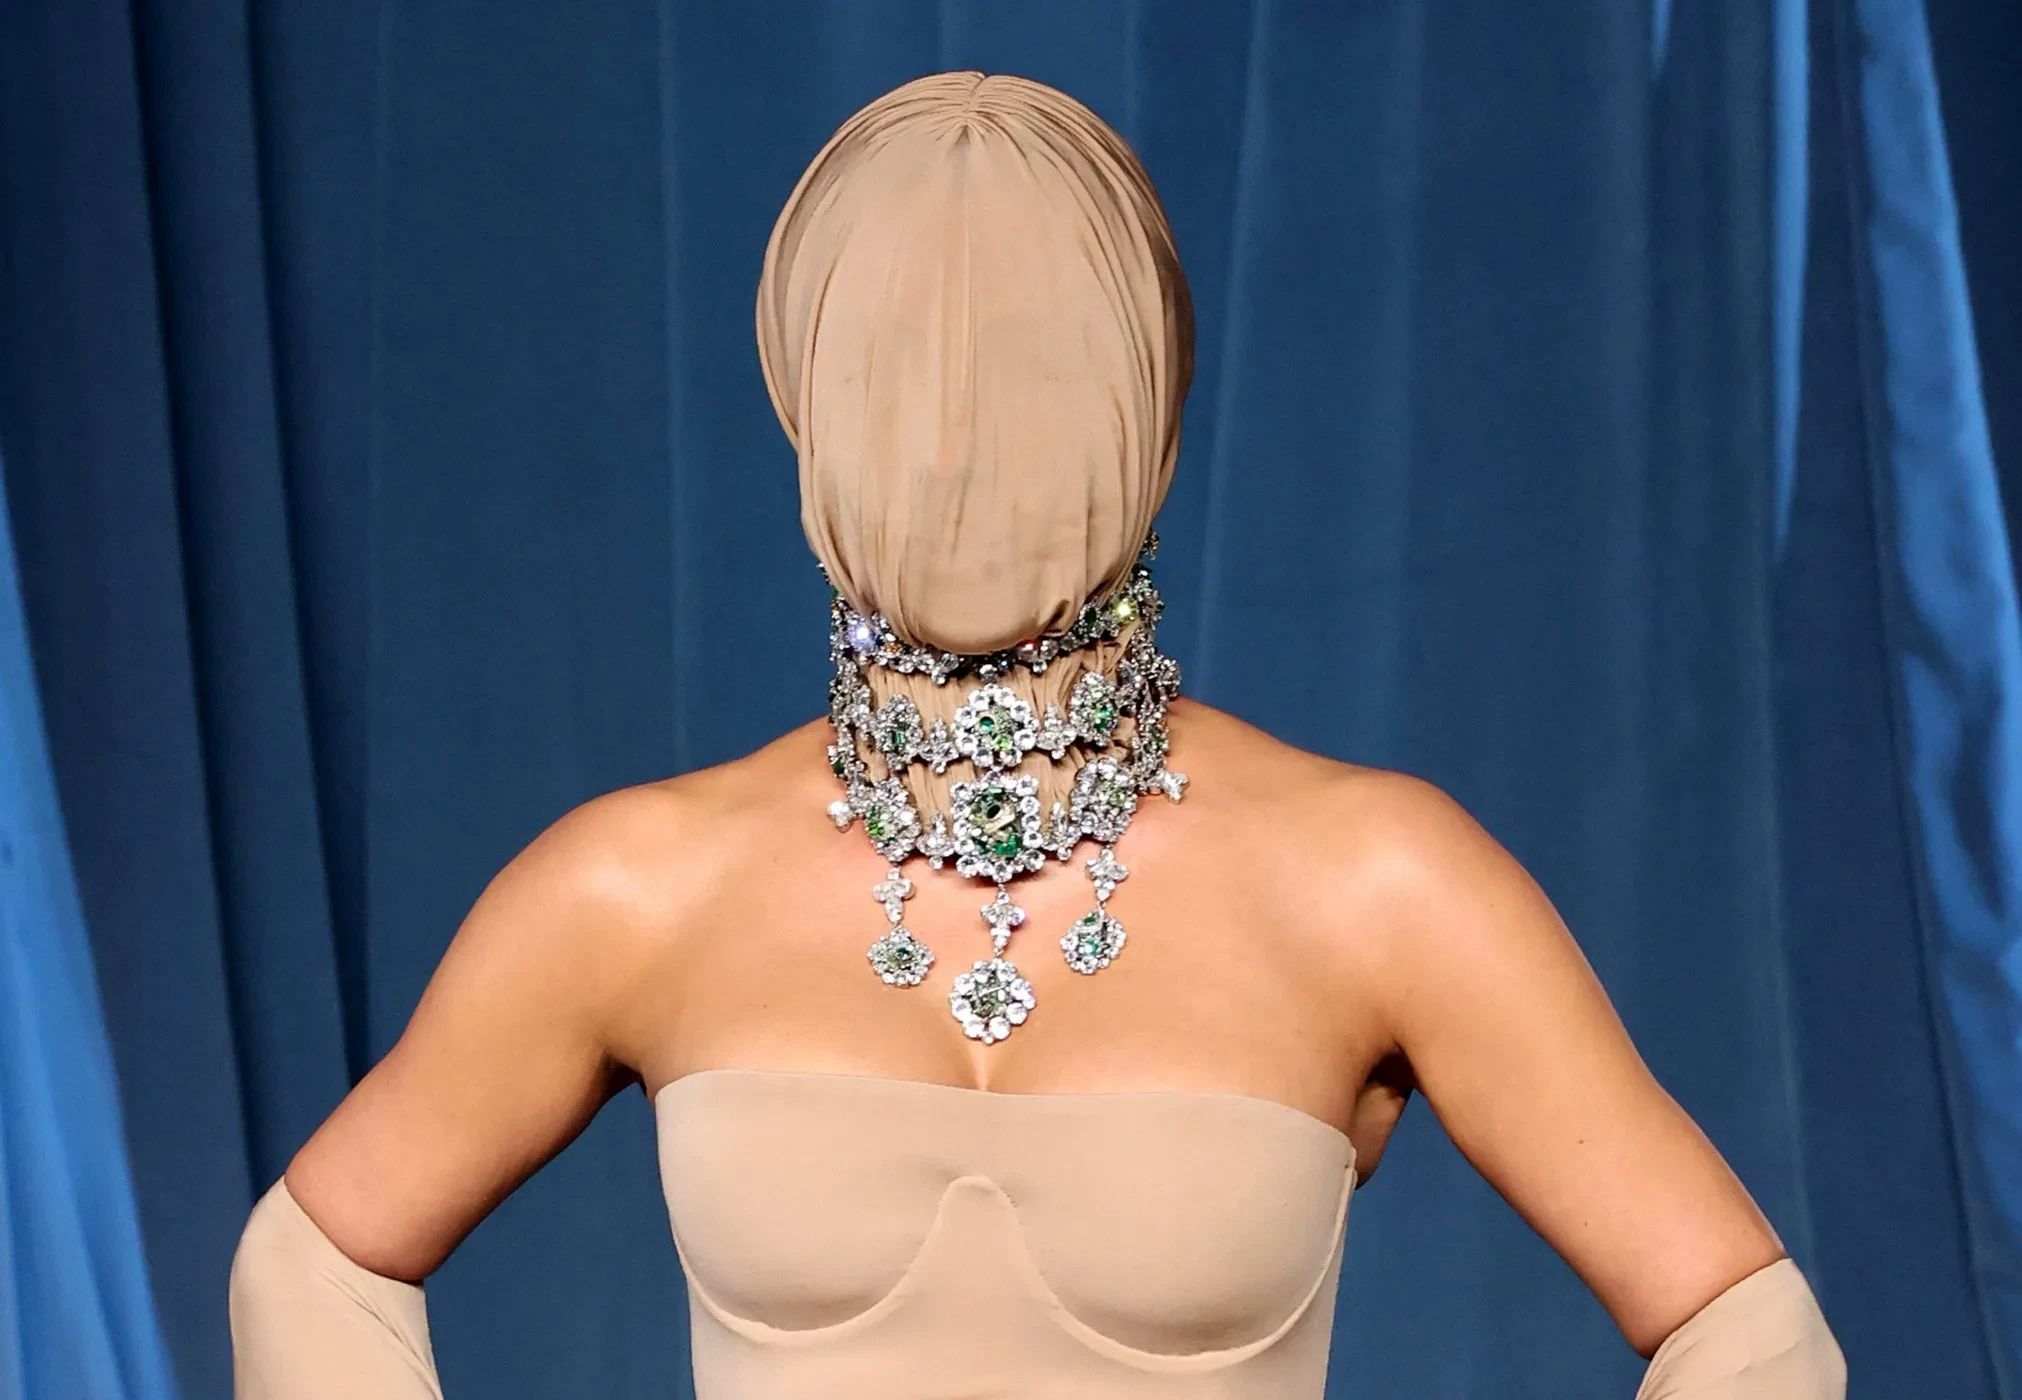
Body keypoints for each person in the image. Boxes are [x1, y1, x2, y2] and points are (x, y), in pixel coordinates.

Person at [228, 71, 1846, 1399]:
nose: (954, 440)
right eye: (896, 369)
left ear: (1149, 389)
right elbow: (314, 1264)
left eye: (1026, 364)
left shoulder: (1371, 881)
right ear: (807, 395)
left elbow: (1746, 1333)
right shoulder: (638, 888)